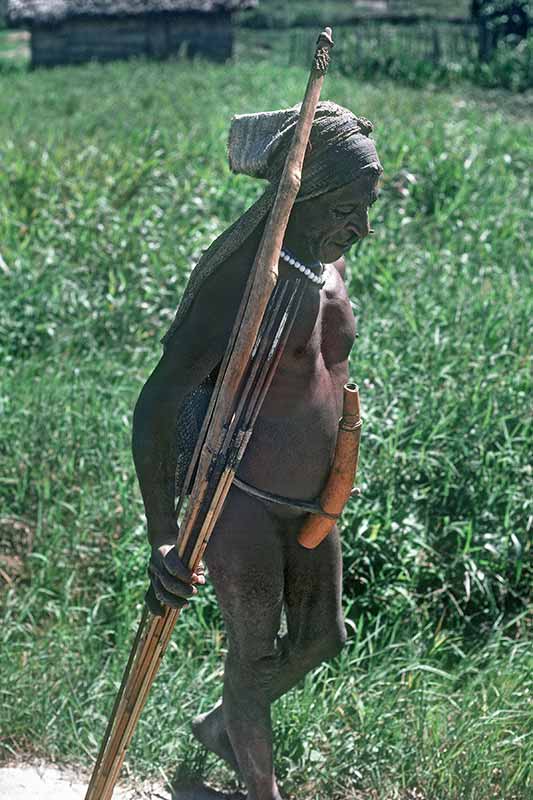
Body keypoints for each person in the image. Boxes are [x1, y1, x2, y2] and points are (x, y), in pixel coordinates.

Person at [132, 101, 382, 800]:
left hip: (311, 501)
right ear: (304, 196)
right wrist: (163, 535)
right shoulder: (243, 280)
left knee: (321, 639)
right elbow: (158, 401)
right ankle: (258, 788)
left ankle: (222, 727)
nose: (362, 228)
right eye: (350, 208)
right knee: (253, 656)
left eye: (367, 207)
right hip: (239, 499)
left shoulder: (326, 264)